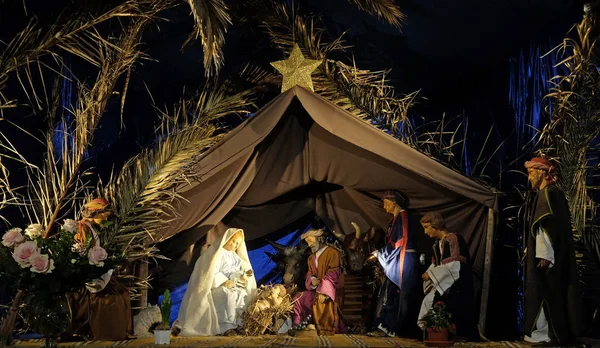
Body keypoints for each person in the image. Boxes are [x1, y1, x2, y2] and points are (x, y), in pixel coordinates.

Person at [523, 157, 584, 345]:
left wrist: (544, 255)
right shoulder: (551, 194)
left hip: (547, 257)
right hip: (550, 255)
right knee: (544, 292)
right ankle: (545, 333)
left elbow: (547, 227)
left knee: (544, 293)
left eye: (531, 173)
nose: (529, 178)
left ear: (541, 173)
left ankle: (547, 334)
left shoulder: (548, 194)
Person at [176, 228, 257, 336]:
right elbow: (211, 272)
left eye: (238, 243)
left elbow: (233, 272)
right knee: (229, 295)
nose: (235, 245)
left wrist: (241, 277)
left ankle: (239, 324)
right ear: (227, 239)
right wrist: (223, 282)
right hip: (216, 286)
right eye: (234, 242)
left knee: (242, 294)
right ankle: (226, 327)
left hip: (232, 284)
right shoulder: (217, 254)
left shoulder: (235, 258)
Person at [367, 190, 420, 337]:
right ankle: (385, 326)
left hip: (404, 260)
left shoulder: (403, 217)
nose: (384, 207)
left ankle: (391, 327)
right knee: (389, 292)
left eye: (385, 203)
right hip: (395, 260)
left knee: (395, 293)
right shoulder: (395, 219)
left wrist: (379, 253)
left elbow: (400, 242)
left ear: (394, 202)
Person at [418, 212, 477, 340]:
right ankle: (433, 333)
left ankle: (450, 333)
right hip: (444, 281)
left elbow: (454, 266)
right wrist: (429, 273)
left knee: (438, 302)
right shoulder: (437, 244)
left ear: (435, 225)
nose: (425, 232)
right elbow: (437, 263)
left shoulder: (452, 239)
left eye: (427, 227)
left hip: (457, 284)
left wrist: (432, 274)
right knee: (428, 300)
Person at [291, 228, 348, 335]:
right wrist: (312, 281)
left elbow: (334, 272)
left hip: (331, 290)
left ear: (320, 239)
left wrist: (323, 288)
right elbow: (309, 273)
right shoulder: (311, 258)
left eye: (311, 241)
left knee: (321, 299)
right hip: (316, 290)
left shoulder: (332, 253)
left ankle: (325, 328)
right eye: (308, 242)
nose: (309, 245)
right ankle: (297, 326)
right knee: (297, 298)